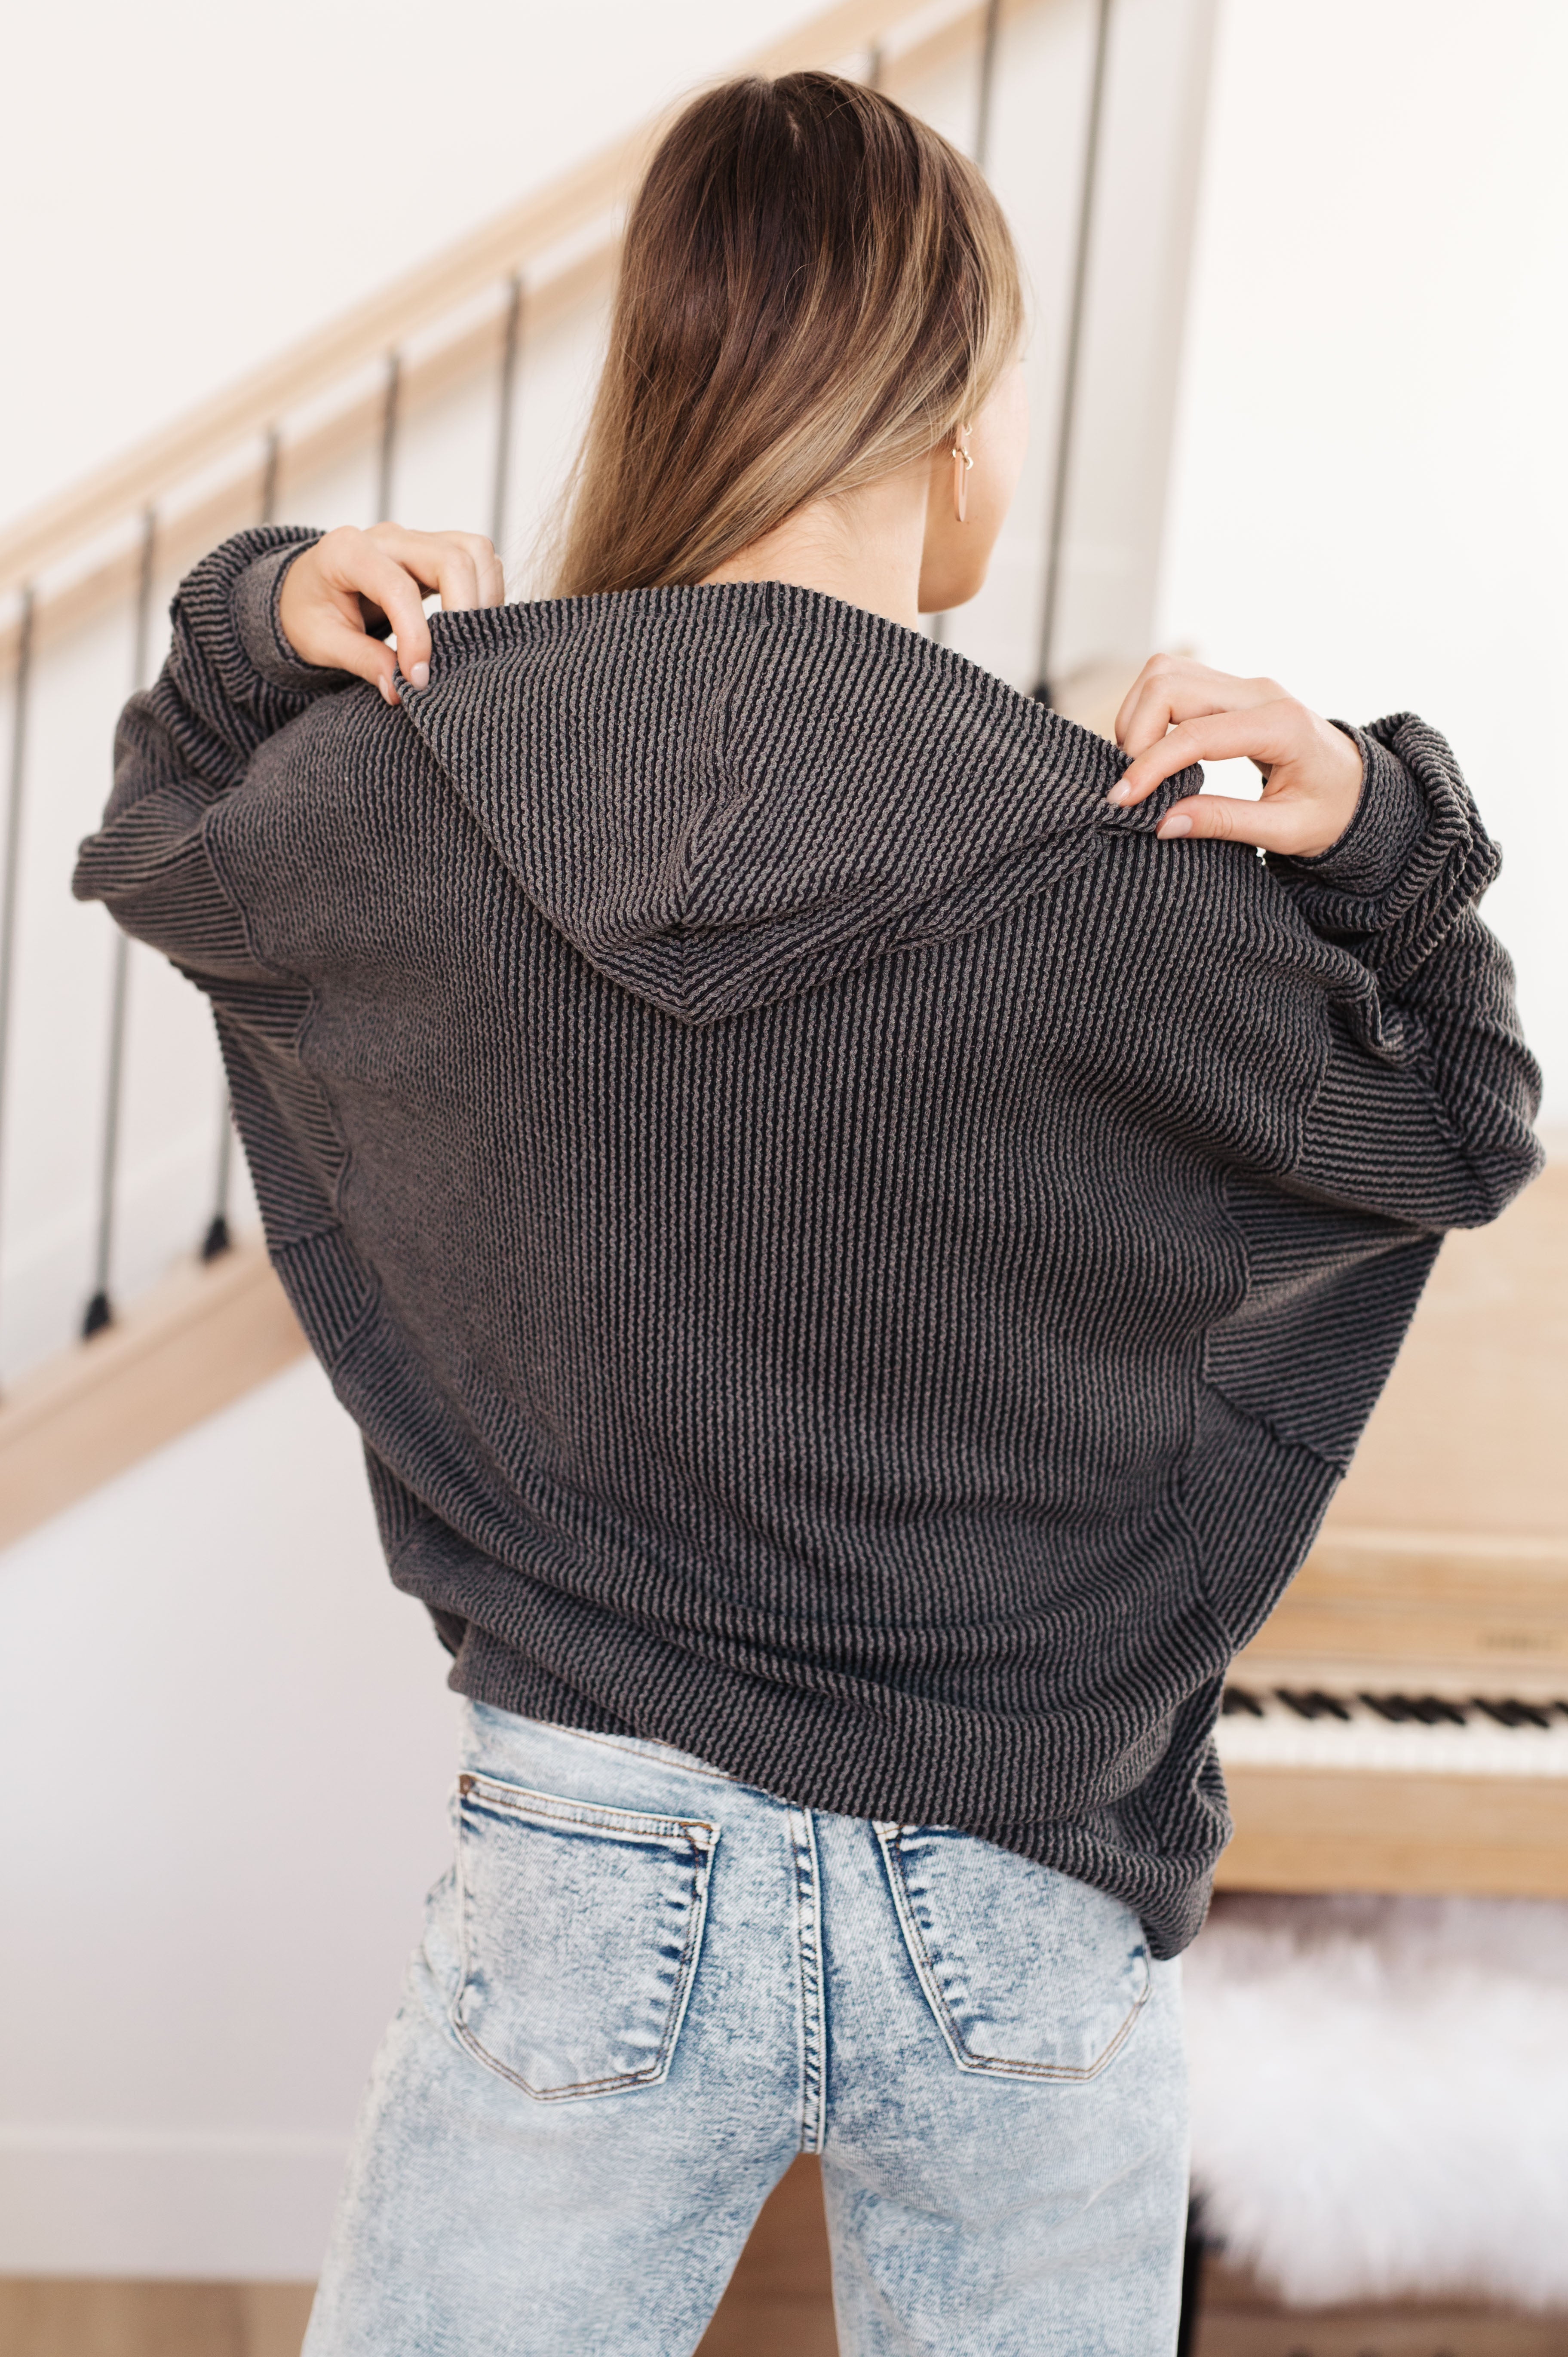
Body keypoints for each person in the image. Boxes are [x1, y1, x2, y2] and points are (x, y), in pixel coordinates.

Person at [74, 69, 1540, 2357]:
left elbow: (173, 832)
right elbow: (1459, 1118)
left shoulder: (416, 780)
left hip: (593, 1864)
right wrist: (1377, 825)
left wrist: (267, 612)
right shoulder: (1122, 864)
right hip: (1026, 1881)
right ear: (957, 422)